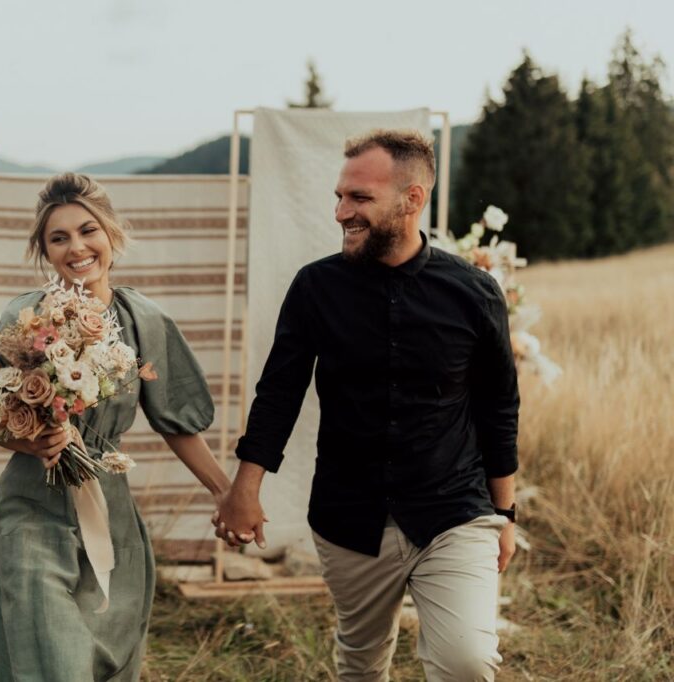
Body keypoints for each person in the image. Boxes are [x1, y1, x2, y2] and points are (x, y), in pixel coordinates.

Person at [214, 130, 520, 681]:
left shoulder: (474, 293)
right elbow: (279, 393)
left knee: (467, 662)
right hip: (347, 516)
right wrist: (245, 487)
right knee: (361, 660)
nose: (340, 212)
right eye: (339, 196)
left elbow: (499, 407)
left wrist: (506, 515)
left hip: (453, 510)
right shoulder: (315, 288)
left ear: (412, 199)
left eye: (359, 198)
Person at [0, 172, 231, 682]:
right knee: (51, 660)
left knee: (105, 658)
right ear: (45, 251)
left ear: (112, 233)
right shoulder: (26, 317)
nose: (76, 247)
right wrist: (28, 440)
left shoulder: (146, 321)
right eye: (59, 238)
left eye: (88, 230)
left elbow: (177, 423)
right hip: (31, 514)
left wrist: (226, 493)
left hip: (112, 514)